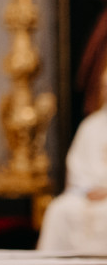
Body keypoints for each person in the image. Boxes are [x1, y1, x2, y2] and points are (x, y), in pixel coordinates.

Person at [38, 71, 107, 254]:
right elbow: (77, 165)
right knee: (59, 210)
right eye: (104, 86)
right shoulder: (90, 126)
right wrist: (88, 189)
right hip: (88, 194)